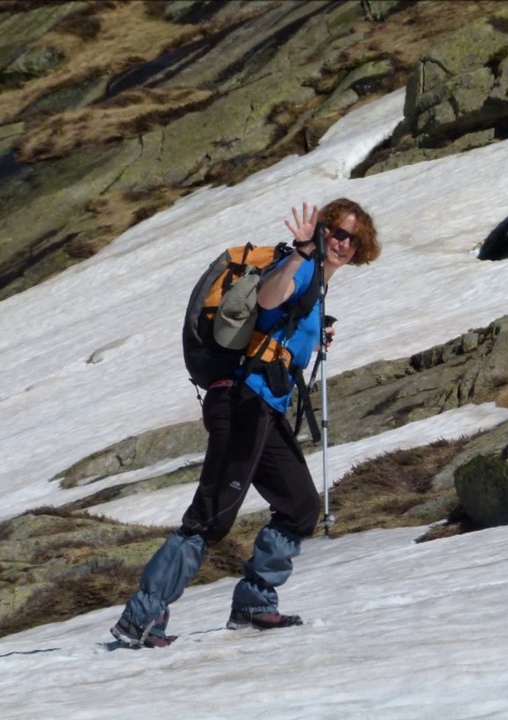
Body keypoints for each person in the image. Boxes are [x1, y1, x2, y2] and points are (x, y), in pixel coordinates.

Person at [110, 198, 381, 648]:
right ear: (320, 231)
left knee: (300, 507)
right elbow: (268, 295)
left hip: (264, 409)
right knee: (211, 516)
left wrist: (317, 328)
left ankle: (254, 603)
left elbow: (279, 321)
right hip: (241, 403)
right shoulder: (301, 268)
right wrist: (298, 254)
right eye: (335, 229)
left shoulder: (317, 288)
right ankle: (141, 617)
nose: (341, 241)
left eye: (352, 237)